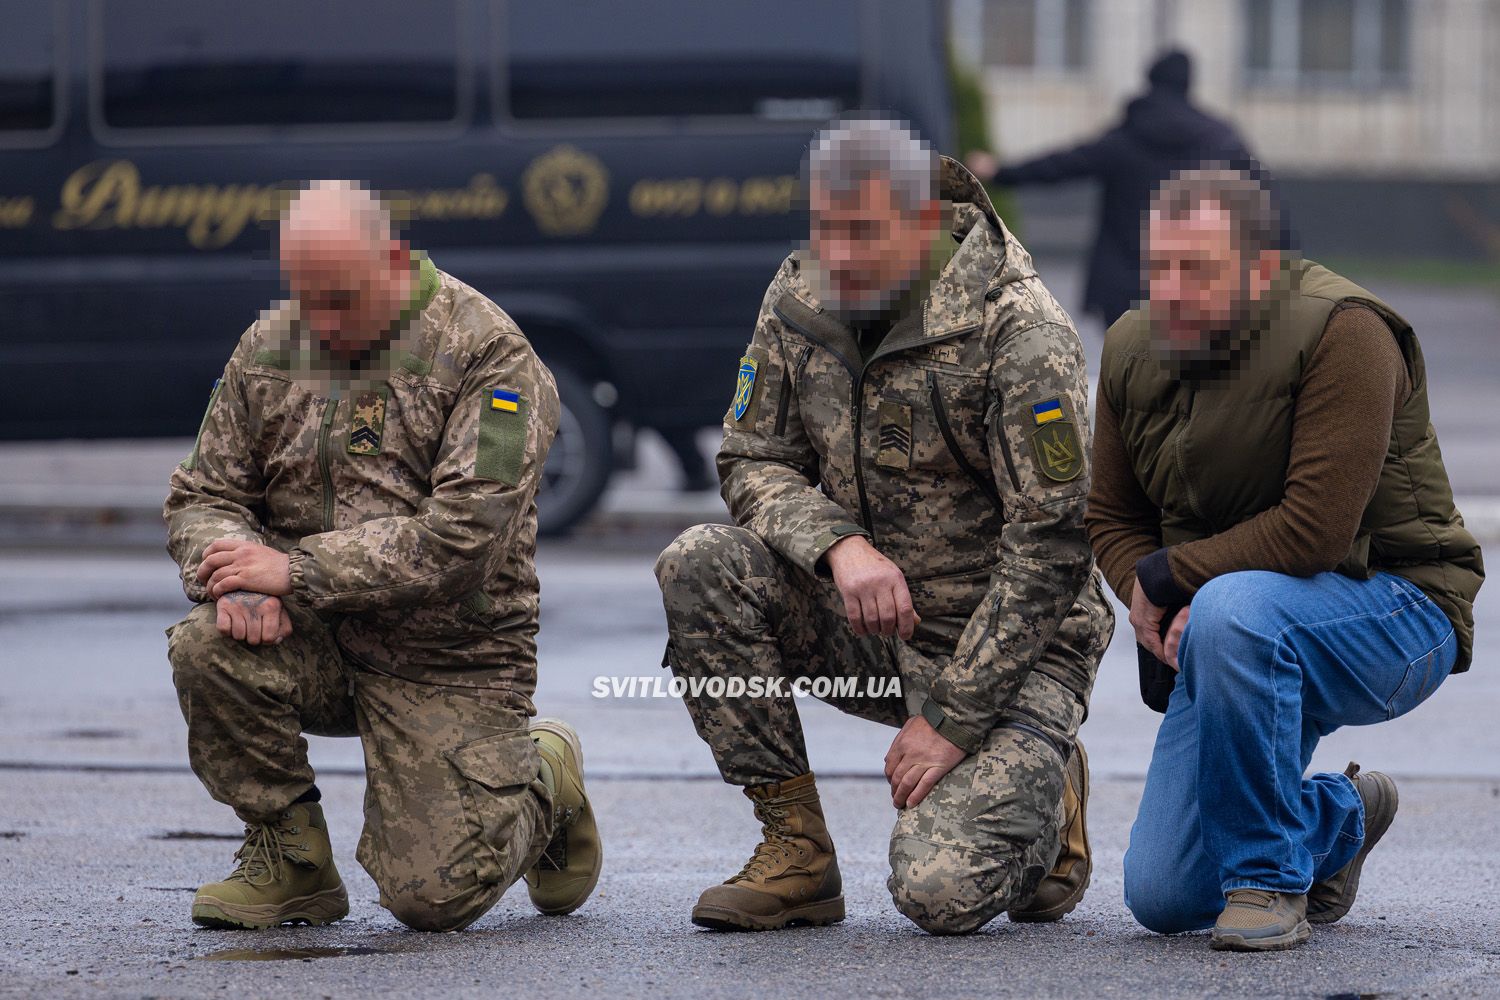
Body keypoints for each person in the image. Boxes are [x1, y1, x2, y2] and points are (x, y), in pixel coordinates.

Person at [654, 117, 1113, 935]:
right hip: (871, 623)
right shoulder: (799, 296)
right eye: (824, 228)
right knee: (701, 564)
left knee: (940, 894)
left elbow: (1051, 547)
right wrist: (839, 545)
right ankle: (795, 850)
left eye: (864, 231)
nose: (838, 254)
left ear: (926, 221)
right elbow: (751, 456)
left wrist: (953, 720)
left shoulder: (1017, 329)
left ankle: (1051, 787)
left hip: (1010, 645)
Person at [163, 180, 602, 932]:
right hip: (312, 636)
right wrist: (234, 574)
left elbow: (464, 536)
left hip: (448, 655)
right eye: (307, 298)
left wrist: (297, 571)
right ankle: (292, 859)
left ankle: (542, 777)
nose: (324, 324)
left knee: (432, 899)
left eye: (342, 299)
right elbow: (203, 493)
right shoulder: (269, 346)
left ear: (394, 260)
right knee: (207, 645)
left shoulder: (488, 354)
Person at [1086, 167, 1483, 951]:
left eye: (1197, 269)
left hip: (1399, 610)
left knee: (1233, 610)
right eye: (1159, 266)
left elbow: (1316, 531)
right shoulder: (1132, 345)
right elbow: (1113, 514)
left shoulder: (1346, 333)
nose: (1171, 291)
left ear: (1261, 269)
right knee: (1163, 893)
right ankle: (1338, 816)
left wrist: (1171, 579)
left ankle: (1268, 880)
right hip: (1236, 624)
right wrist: (1148, 597)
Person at [967, 50, 1263, 326]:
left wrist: (1000, 172)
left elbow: (1063, 164)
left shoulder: (1126, 139)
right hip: (1193, 282)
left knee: (1126, 360)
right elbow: (1263, 199)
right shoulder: (1220, 142)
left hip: (1124, 284)